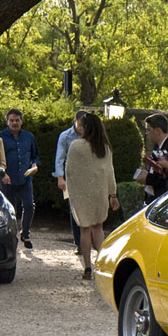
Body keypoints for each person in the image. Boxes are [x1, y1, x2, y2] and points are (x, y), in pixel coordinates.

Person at [65, 113, 119, 280]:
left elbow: (69, 171)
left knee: (84, 229)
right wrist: (113, 194)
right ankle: (102, 264)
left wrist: (72, 192)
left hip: (82, 193)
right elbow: (110, 172)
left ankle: (88, 267)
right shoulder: (104, 147)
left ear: (85, 127)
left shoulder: (76, 146)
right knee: (98, 228)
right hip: (100, 192)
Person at [0, 108, 40, 249]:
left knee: (29, 205)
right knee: (9, 208)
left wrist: (34, 165)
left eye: (17, 120)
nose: (14, 123)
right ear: (7, 122)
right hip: (7, 178)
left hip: (25, 177)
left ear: (21, 121)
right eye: (11, 120)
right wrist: (3, 174)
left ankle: (25, 233)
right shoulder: (0, 137)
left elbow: (35, 156)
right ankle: (11, 234)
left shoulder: (29, 136)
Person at [54, 110, 87, 254]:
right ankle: (79, 243)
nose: (81, 129)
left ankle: (88, 241)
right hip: (72, 176)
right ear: (75, 122)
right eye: (79, 126)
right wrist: (60, 178)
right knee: (74, 210)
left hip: (89, 176)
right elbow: (60, 158)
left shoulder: (91, 134)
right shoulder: (66, 136)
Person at [136, 113, 168, 203]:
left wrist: (147, 178)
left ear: (158, 131)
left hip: (163, 197)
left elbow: (167, 176)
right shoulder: (156, 147)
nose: (147, 133)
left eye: (149, 130)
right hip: (153, 196)